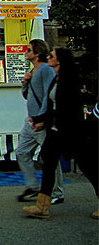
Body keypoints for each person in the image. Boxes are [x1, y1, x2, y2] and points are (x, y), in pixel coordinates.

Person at [22, 47, 98, 219]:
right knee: (47, 161)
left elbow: (66, 108)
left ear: (59, 60)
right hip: (57, 129)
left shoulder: (70, 80)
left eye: (51, 56)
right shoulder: (56, 79)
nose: (48, 57)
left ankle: (43, 205)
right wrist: (40, 119)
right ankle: (43, 206)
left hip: (71, 130)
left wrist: (43, 119)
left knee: (88, 166)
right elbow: (52, 105)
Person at [15, 39, 64, 203]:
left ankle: (56, 192)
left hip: (40, 122)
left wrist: (42, 118)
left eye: (29, 50)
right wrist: (25, 83)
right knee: (22, 152)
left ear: (37, 53)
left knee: (50, 158)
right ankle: (34, 185)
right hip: (31, 120)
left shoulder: (44, 70)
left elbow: (48, 96)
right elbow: (27, 96)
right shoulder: (33, 71)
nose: (26, 53)